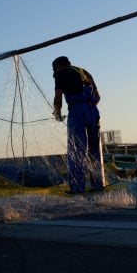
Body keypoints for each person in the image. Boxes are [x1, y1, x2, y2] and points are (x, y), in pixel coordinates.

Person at [52, 56, 105, 194]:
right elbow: (98, 97)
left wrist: (57, 113)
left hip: (77, 111)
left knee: (76, 149)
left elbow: (58, 98)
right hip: (93, 111)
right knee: (94, 149)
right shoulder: (84, 71)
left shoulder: (60, 73)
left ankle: (77, 187)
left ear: (58, 66)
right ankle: (98, 184)